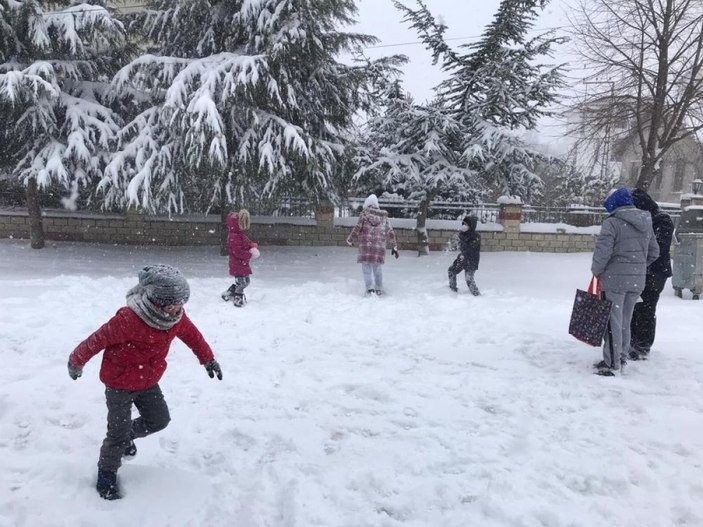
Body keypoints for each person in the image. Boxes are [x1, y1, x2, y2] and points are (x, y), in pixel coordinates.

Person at [67, 264, 222, 500]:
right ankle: (107, 473)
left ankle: (130, 434)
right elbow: (97, 340)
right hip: (118, 383)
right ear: (156, 302)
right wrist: (76, 361)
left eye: (181, 304)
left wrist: (208, 359)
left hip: (148, 381)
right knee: (116, 435)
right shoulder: (129, 319)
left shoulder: (175, 318)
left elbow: (193, 336)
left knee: (159, 420)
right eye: (173, 305)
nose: (178, 309)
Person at [591, 188, 659, 376]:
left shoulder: (612, 223)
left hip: (614, 281)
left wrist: (597, 270)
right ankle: (620, 357)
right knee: (625, 321)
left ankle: (612, 365)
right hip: (637, 280)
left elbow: (602, 253)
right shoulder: (646, 222)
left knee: (613, 323)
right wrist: (637, 266)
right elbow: (655, 252)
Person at [629, 188, 674, 360]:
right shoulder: (649, 219)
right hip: (644, 271)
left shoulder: (662, 220)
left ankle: (642, 346)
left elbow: (658, 247)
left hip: (656, 273)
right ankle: (634, 341)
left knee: (646, 309)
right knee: (636, 307)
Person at [347, 194, 398, 295]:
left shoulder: (364, 215)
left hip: (366, 248)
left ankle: (370, 287)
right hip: (378, 249)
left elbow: (357, 229)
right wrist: (394, 246)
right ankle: (378, 287)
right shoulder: (384, 217)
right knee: (377, 269)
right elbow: (390, 232)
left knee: (366, 269)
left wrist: (350, 239)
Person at [222, 209, 258, 307]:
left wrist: (252, 246)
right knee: (242, 283)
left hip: (242, 263)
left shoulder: (241, 234)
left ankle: (230, 292)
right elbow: (237, 252)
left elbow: (247, 243)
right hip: (237, 264)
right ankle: (238, 297)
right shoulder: (234, 236)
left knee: (246, 282)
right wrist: (249, 255)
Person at [448, 215, 481, 295]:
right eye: (464, 224)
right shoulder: (462, 234)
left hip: (471, 260)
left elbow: (470, 248)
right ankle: (452, 290)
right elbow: (457, 246)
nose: (464, 226)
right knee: (451, 271)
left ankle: (476, 294)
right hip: (462, 258)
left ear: (471, 226)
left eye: (466, 224)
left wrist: (461, 240)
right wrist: (453, 243)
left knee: (469, 279)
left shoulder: (476, 236)